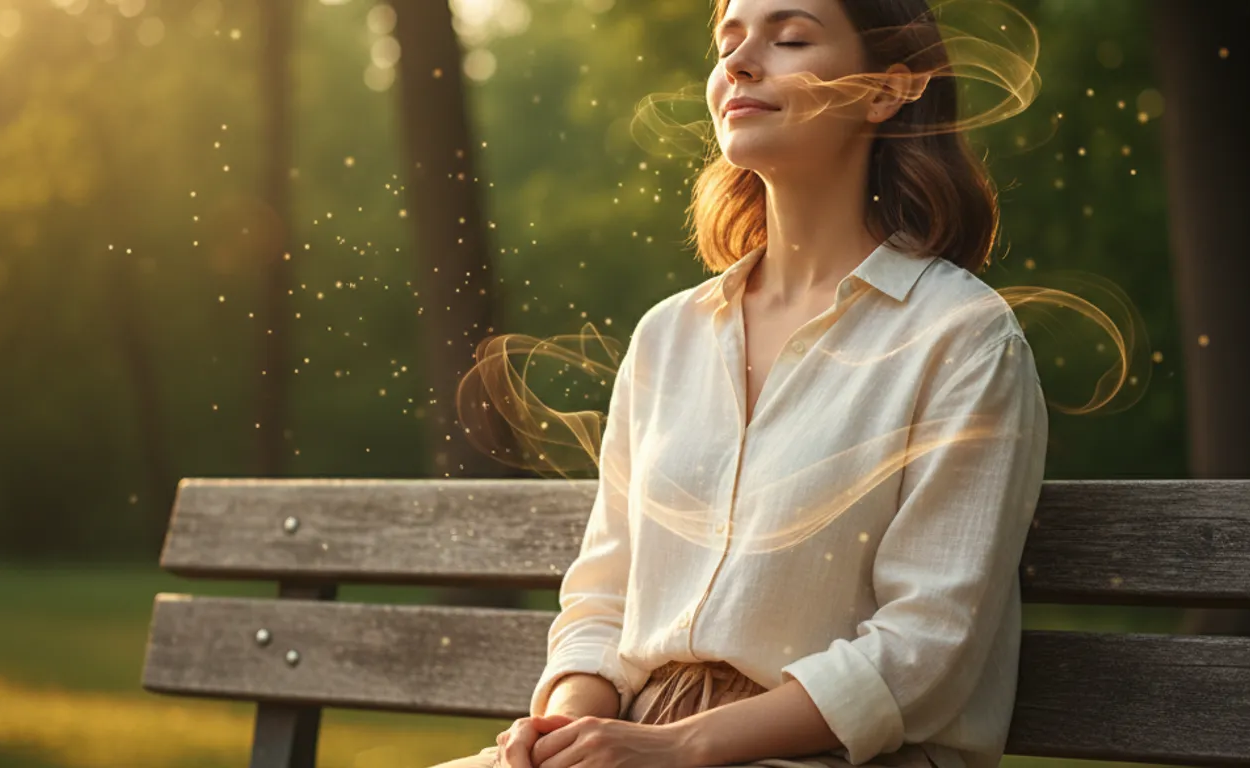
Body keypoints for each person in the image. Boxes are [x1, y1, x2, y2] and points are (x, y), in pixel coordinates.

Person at [431, 0, 1047, 766]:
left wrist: (679, 748)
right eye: (728, 41)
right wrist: (565, 726)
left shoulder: (961, 338)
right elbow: (603, 599)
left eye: (789, 38)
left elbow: (925, 647)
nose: (741, 62)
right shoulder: (669, 335)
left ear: (887, 89)